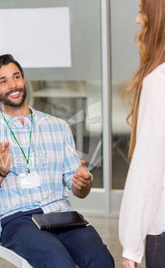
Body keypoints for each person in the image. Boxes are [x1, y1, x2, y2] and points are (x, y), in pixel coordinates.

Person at [0, 54, 115, 267]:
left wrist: (83, 183)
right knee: (59, 263)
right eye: (3, 81)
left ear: (23, 80)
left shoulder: (57, 126)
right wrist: (0, 172)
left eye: (16, 77)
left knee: (101, 260)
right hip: (17, 220)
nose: (13, 85)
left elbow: (79, 190)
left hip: (62, 216)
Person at [119, 0, 165, 267]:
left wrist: (132, 246)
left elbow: (149, 169)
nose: (138, 19)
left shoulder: (158, 81)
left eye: (142, 10)